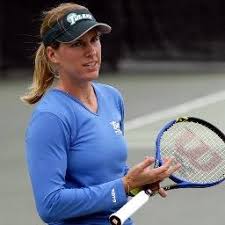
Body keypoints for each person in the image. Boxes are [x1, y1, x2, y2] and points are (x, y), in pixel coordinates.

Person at [21, 2, 181, 225]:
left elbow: (109, 175)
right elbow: (50, 205)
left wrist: (137, 183)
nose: (91, 51)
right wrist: (124, 185)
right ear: (53, 54)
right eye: (78, 43)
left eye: (94, 40)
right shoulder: (51, 118)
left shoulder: (111, 97)